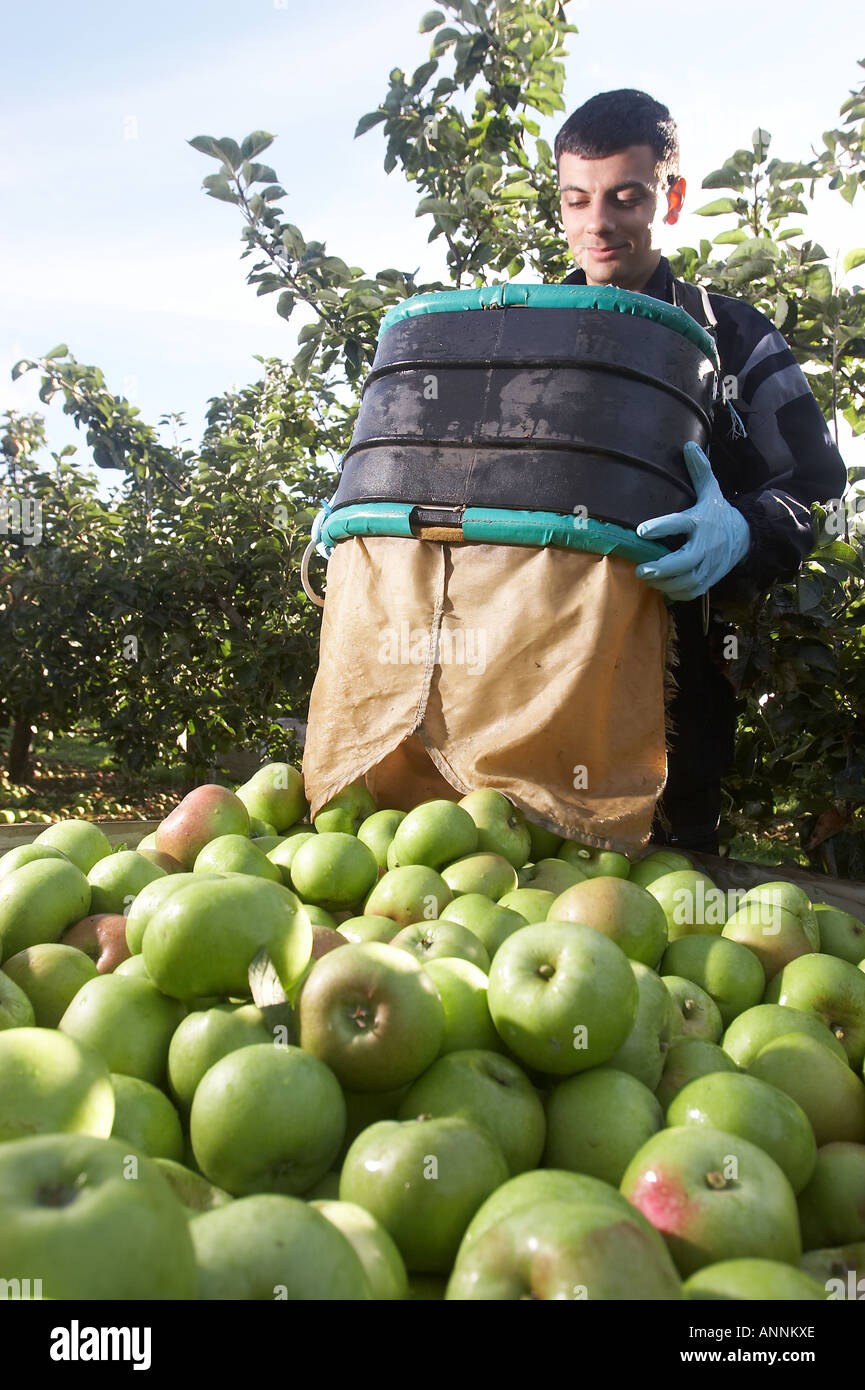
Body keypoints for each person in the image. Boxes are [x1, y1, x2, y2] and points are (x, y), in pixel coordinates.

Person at [553, 89, 848, 853]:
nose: (598, 223)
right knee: (521, 863)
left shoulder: (737, 340)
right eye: (577, 199)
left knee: (667, 882)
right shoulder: (524, 336)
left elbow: (813, 487)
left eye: (625, 197)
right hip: (532, 661)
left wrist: (741, 532)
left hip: (677, 681)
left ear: (671, 195)